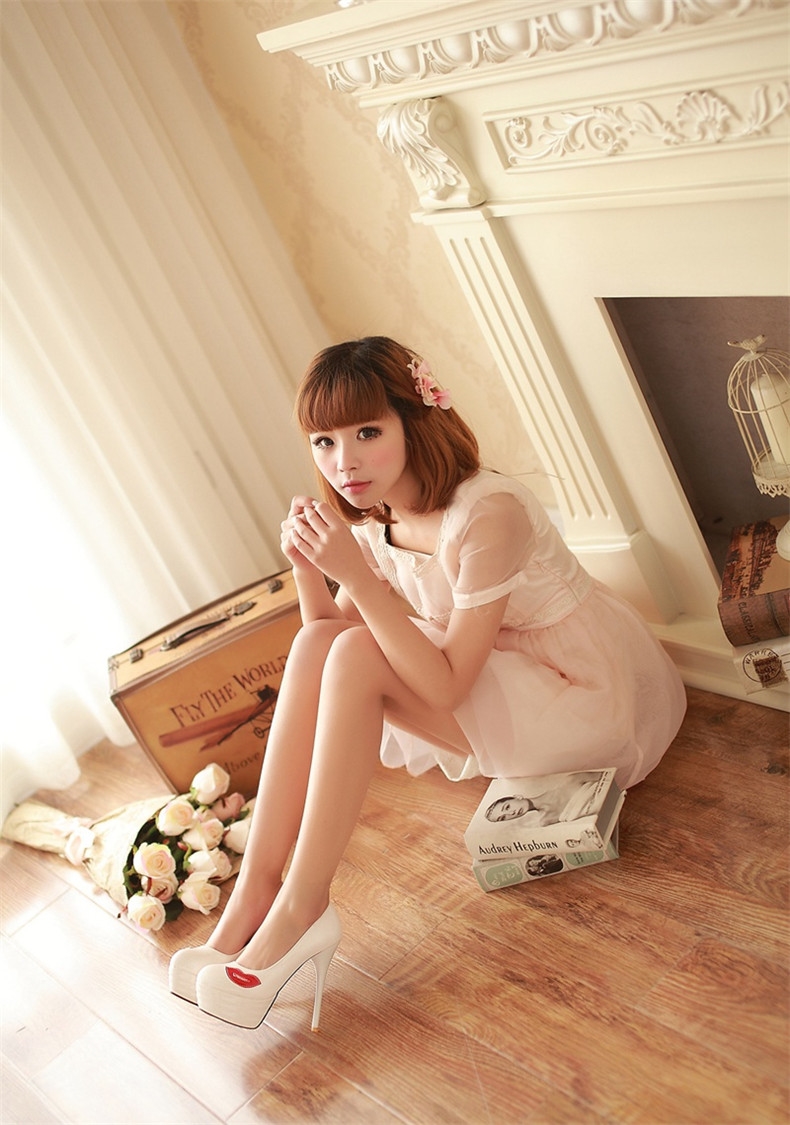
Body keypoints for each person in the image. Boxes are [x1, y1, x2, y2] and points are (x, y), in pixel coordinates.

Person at [169, 336, 686, 1030]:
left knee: (359, 652)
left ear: (415, 418)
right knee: (327, 642)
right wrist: (307, 568)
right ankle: (257, 892)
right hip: (498, 679)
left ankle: (303, 902)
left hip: (578, 692)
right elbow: (323, 643)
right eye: (324, 441)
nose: (344, 462)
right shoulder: (381, 516)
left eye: (367, 432)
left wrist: (354, 575)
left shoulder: (488, 514)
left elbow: (446, 688)